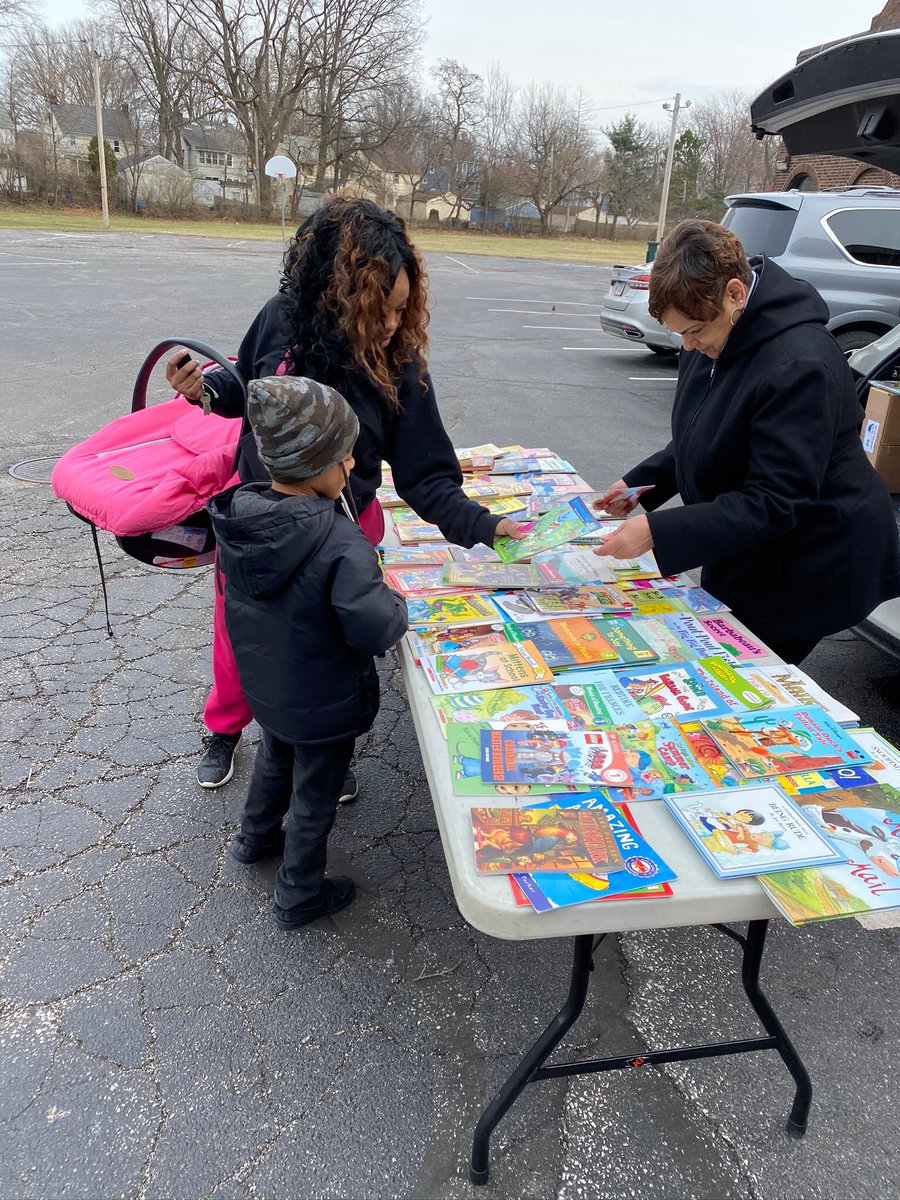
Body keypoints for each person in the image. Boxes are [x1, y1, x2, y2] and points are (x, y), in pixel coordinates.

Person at [167, 198, 523, 789]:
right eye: (378, 310)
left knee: (328, 652)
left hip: (341, 534)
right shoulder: (281, 318)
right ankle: (225, 730)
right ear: (333, 297)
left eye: (402, 308)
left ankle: (327, 749)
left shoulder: (399, 362)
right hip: (259, 523)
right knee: (241, 640)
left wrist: (485, 526)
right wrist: (203, 390)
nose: (390, 325)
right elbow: (247, 391)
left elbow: (427, 475)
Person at [595, 219, 900, 664]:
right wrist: (641, 485)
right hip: (746, 542)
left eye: (695, 330)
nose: (690, 345)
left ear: (735, 293)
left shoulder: (798, 364)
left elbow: (778, 501)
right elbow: (707, 430)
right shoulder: (712, 331)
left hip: (813, 557)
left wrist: (659, 532)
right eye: (679, 333)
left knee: (747, 670)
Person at [207, 375, 408, 929]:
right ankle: (298, 894)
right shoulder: (339, 540)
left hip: (271, 688)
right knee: (316, 794)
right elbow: (373, 628)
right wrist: (396, 606)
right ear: (316, 463)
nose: (351, 468)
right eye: (344, 457)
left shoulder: (243, 517)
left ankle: (254, 839)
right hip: (323, 699)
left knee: (275, 759)